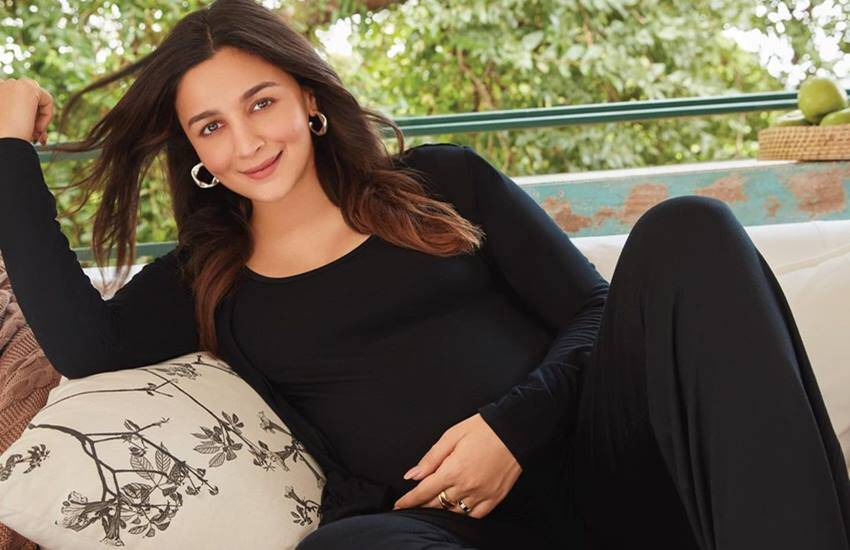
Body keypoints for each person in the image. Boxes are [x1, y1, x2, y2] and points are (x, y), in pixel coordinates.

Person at [0, 0, 847, 549]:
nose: (247, 142)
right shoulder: (206, 275)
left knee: (690, 227)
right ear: (194, 152)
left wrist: (511, 428)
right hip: (446, 534)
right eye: (211, 126)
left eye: (261, 103)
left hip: (606, 467)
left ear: (307, 98)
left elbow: (594, 312)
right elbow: (84, 346)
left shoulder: (441, 181)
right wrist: (8, 147)